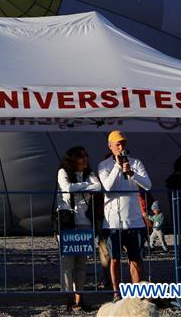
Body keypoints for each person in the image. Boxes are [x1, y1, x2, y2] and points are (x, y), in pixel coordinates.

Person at [98, 131, 151, 299]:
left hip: (134, 221)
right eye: (117, 144)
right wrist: (117, 166)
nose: (121, 147)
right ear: (110, 146)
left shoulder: (136, 163)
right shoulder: (104, 165)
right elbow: (108, 187)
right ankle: (117, 292)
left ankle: (135, 293)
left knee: (135, 259)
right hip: (112, 222)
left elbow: (148, 185)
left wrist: (131, 173)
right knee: (114, 259)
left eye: (123, 143)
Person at [56, 146, 101, 312]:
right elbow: (66, 187)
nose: (84, 159)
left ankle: (79, 298)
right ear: (73, 159)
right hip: (68, 222)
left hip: (84, 222)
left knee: (81, 264)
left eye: (85, 156)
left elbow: (98, 187)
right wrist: (86, 186)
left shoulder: (90, 173)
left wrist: (79, 186)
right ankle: (68, 299)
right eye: (80, 157)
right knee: (67, 264)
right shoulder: (63, 172)